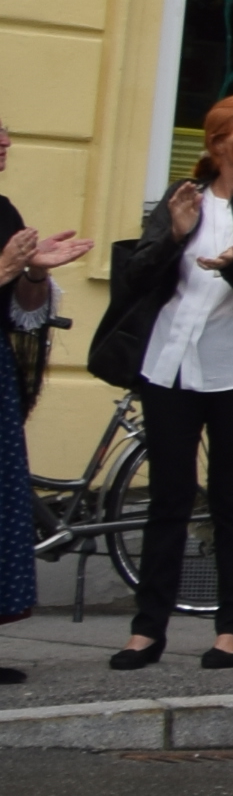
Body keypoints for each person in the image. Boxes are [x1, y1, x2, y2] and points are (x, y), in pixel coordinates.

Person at [87, 93, 233, 672]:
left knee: (230, 500)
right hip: (169, 367)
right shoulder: (183, 198)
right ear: (220, 142)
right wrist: (174, 234)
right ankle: (146, 630)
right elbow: (135, 279)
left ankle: (232, 627)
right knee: (169, 500)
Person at [1, 118, 96, 682]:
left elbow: (23, 312)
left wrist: (34, 273)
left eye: (9, 132)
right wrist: (5, 268)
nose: (7, 142)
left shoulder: (4, 213)